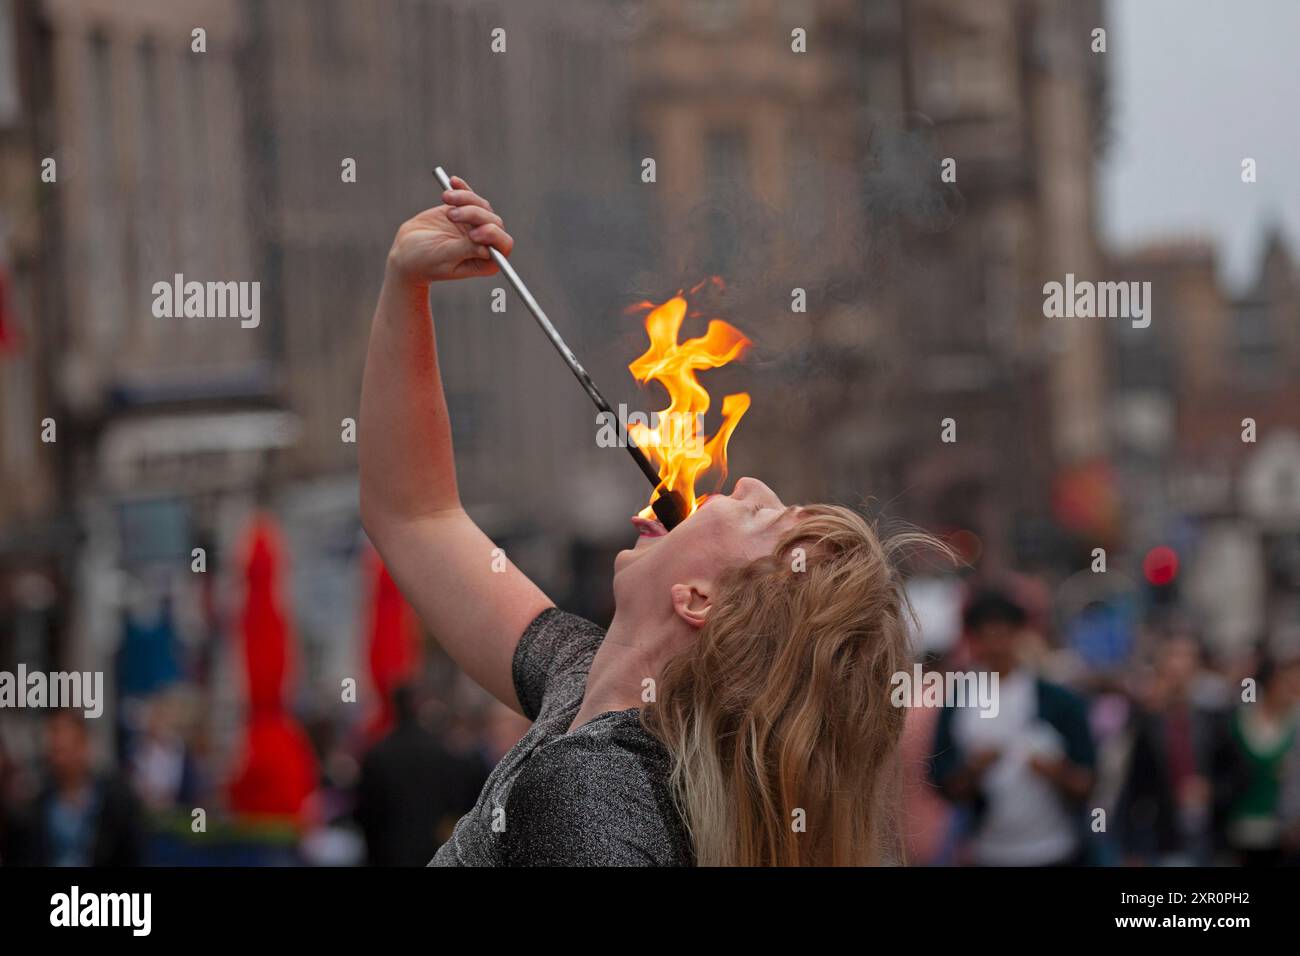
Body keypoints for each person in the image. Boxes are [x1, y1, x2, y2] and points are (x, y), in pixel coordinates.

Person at [359, 178, 932, 865]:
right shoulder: (586, 689)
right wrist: (407, 287)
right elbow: (416, 516)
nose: (743, 482)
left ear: (698, 599)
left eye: (757, 515)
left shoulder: (592, 794)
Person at [930, 590, 1096, 866]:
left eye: (1003, 635)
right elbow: (943, 781)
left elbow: (1088, 780)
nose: (995, 646)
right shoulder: (958, 702)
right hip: (987, 851)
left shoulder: (1056, 700)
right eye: (986, 636)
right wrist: (973, 770)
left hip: (1055, 849)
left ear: (1019, 636)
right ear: (973, 640)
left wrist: (1056, 771)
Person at [355, 684, 485, 866]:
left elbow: (365, 810)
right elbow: (457, 803)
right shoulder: (442, 752)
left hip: (386, 851)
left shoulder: (378, 753)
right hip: (430, 850)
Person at [11, 710, 144, 867]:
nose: (61, 759)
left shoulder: (117, 802)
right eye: (56, 750)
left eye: (67, 749)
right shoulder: (35, 806)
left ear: (84, 745)